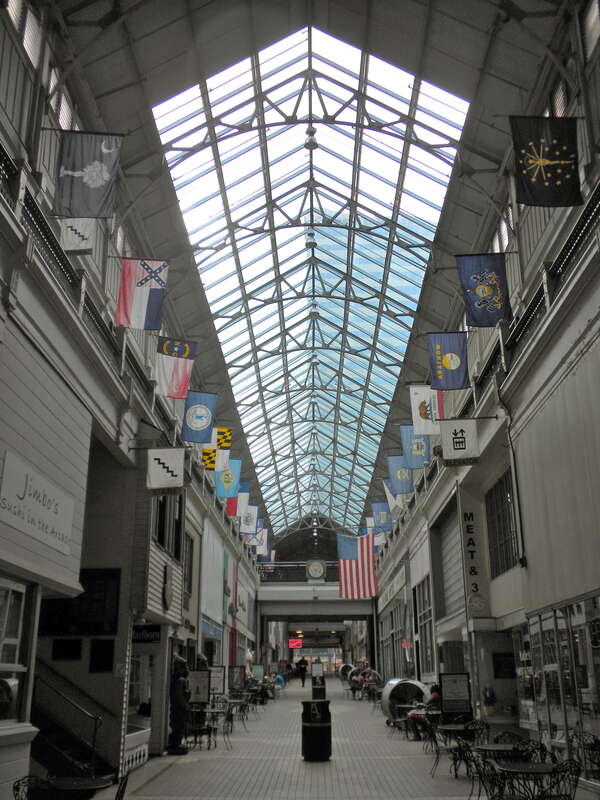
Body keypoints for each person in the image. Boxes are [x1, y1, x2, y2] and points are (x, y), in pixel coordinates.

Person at [168, 655, 190, 754]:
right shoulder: (181, 681)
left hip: (177, 708)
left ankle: (176, 743)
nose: (187, 669)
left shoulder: (179, 680)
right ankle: (175, 744)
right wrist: (186, 706)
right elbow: (179, 696)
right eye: (185, 667)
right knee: (178, 726)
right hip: (179, 709)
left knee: (179, 726)